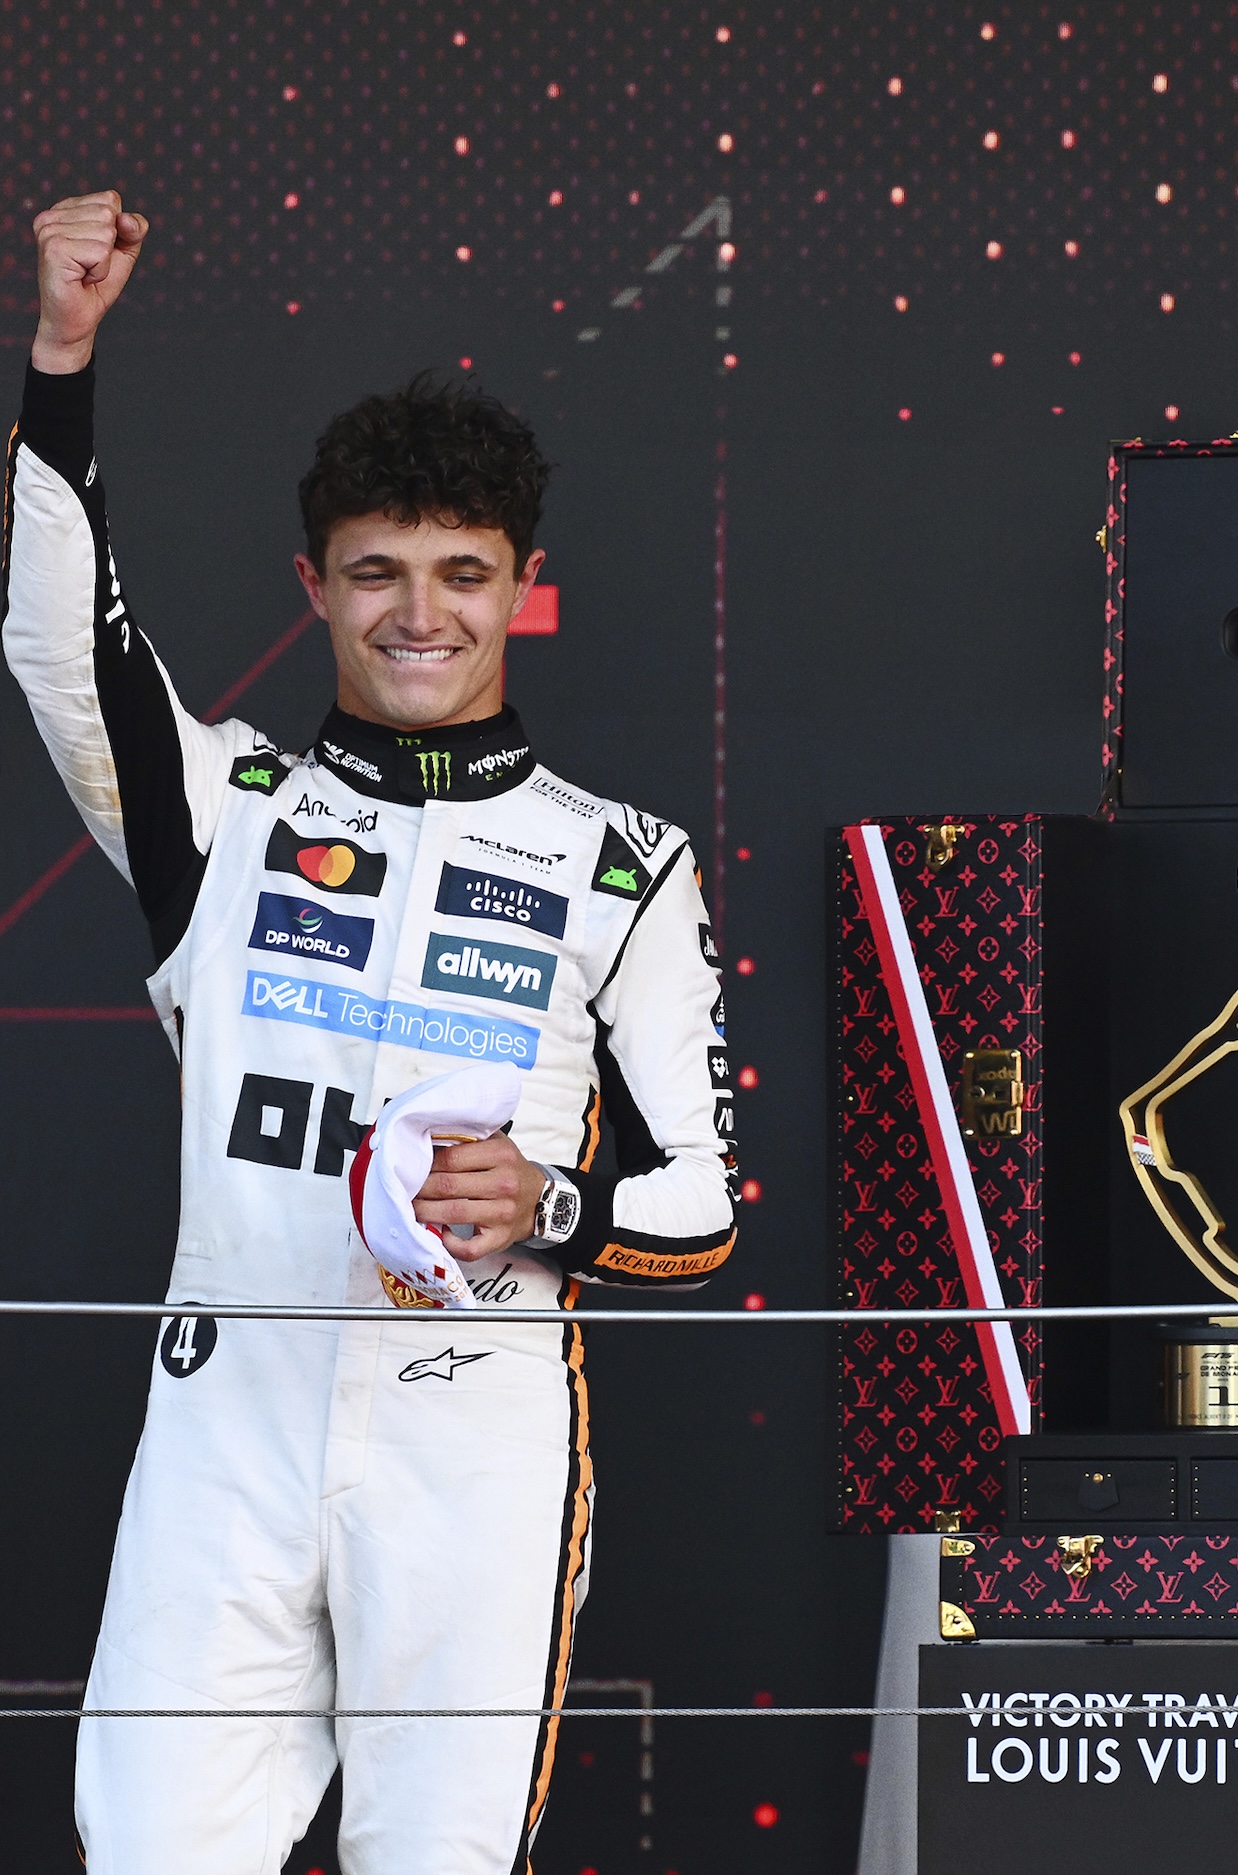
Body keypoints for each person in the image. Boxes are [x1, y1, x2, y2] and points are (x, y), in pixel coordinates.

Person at [3, 190, 737, 1875]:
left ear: (520, 586)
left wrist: (548, 1202)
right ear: (315, 586)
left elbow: (703, 1207)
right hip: (227, 1431)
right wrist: (61, 354)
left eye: (464, 573)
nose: (422, 614)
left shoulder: (624, 864)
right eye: (379, 573)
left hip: (475, 1445)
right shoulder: (222, 807)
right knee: (149, 1851)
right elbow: (55, 643)